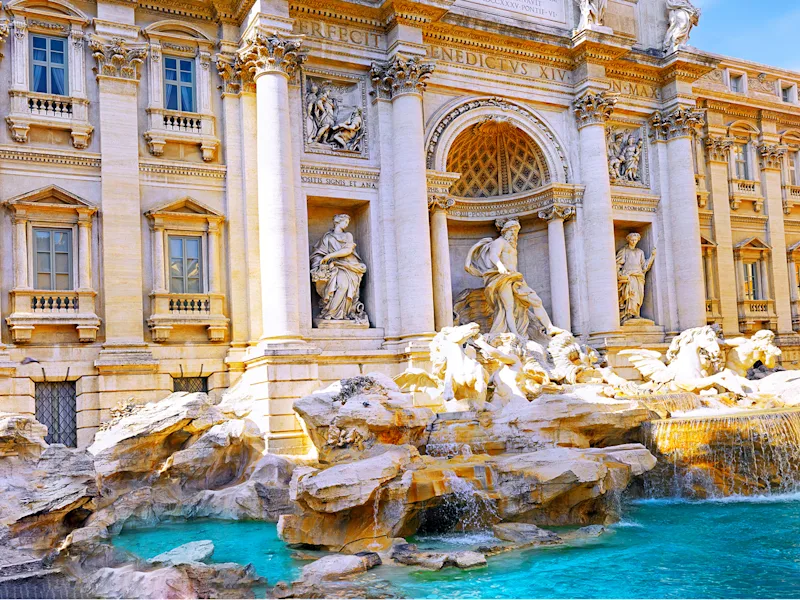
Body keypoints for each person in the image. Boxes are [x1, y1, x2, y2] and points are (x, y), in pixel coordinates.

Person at [465, 218, 561, 338]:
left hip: (516, 278)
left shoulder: (512, 246)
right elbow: (493, 255)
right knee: (508, 307)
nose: (514, 234)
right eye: (512, 231)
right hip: (503, 278)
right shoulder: (499, 242)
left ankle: (549, 327)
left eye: (516, 232)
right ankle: (514, 334)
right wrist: (500, 266)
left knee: (536, 300)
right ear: (505, 231)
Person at [310, 214, 368, 323]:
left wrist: (329, 256)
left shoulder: (348, 235)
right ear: (338, 222)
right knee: (339, 287)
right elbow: (318, 253)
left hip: (349, 265)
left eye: (347, 223)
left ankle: (336, 313)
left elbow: (348, 250)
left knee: (344, 286)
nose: (346, 224)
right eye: (345, 222)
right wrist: (320, 263)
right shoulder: (327, 237)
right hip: (334, 266)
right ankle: (331, 313)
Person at [616, 232, 656, 323]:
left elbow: (644, 266)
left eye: (635, 240)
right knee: (631, 295)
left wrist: (652, 256)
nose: (633, 241)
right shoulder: (624, 251)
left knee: (638, 296)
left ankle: (636, 314)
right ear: (628, 240)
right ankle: (629, 315)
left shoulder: (640, 252)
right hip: (629, 276)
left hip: (639, 276)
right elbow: (618, 264)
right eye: (632, 240)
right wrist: (620, 274)